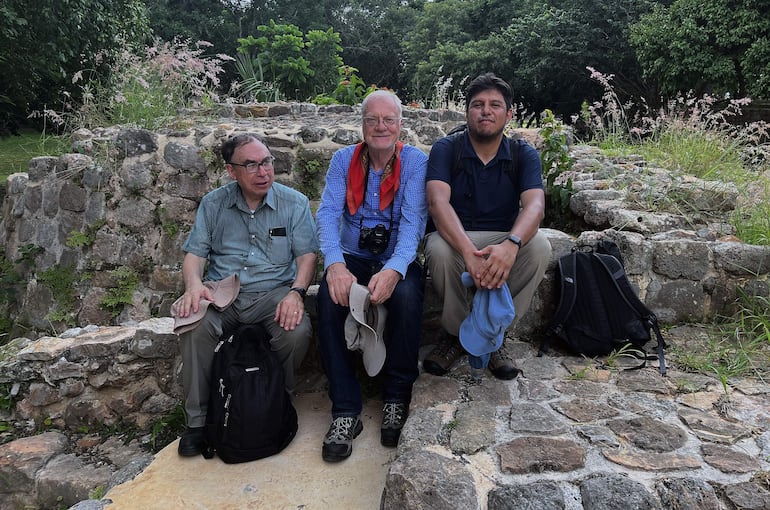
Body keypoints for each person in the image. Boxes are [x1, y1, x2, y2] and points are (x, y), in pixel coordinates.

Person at [174, 134, 318, 457]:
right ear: (231, 171)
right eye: (251, 165)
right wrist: (194, 286)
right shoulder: (214, 203)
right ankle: (198, 422)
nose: (263, 171)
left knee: (296, 330)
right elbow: (195, 255)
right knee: (193, 325)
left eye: (266, 162)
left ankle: (275, 401)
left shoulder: (294, 203)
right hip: (223, 293)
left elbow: (307, 257)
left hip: (272, 294)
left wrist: (296, 293)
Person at [315, 90, 427, 462]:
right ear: (361, 124)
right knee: (328, 298)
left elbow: (413, 224)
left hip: (397, 256)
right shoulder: (342, 160)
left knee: (407, 296)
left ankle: (396, 397)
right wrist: (334, 264)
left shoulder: (415, 162)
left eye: (388, 120)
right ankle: (345, 410)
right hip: (353, 256)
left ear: (400, 124)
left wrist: (394, 269)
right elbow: (328, 214)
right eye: (372, 120)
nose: (381, 127)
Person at [423, 72, 552, 380]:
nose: (486, 111)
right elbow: (438, 203)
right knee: (437, 248)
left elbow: (535, 206)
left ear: (508, 114)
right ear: (467, 112)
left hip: (502, 237)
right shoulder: (447, 149)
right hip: (457, 237)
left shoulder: (522, 154)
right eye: (478, 104)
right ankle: (456, 335)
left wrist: (511, 245)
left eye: (495, 105)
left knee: (540, 247)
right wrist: (468, 251)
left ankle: (494, 336)